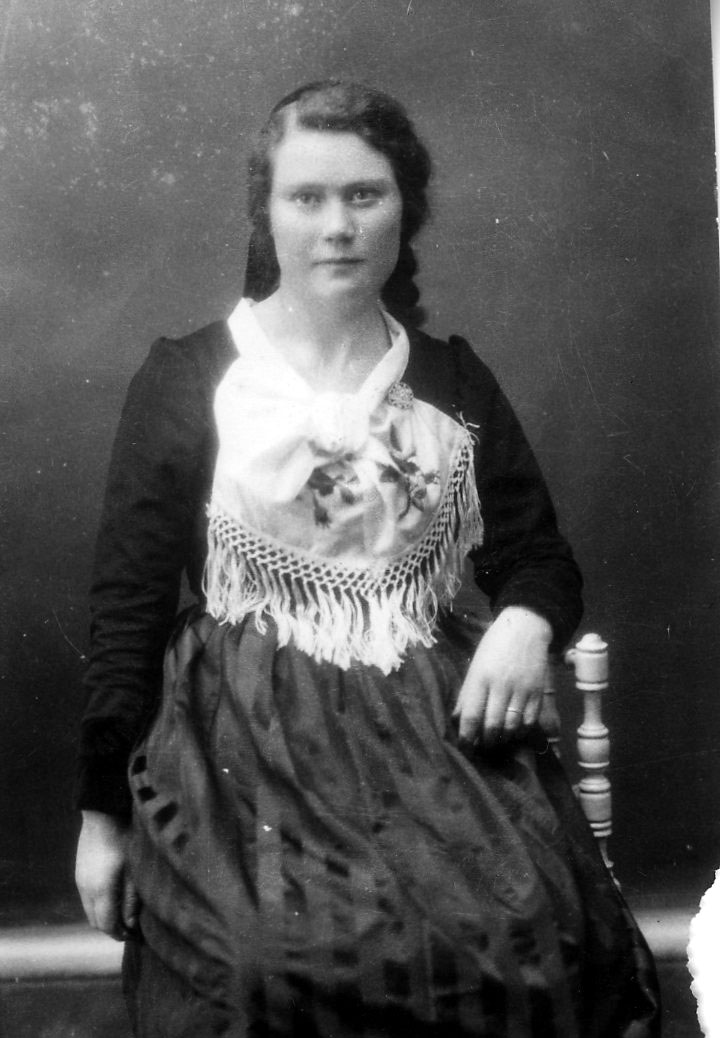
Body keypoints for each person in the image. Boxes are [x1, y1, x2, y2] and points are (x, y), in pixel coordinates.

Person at [74, 80, 659, 1037]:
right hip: (241, 739)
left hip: (433, 732)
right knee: (260, 970)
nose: (337, 226)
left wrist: (524, 622)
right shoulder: (191, 377)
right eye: (306, 197)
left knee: (528, 939)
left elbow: (538, 553)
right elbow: (126, 609)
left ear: (404, 209)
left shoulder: (450, 379)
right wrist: (102, 824)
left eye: (364, 195)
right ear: (268, 214)